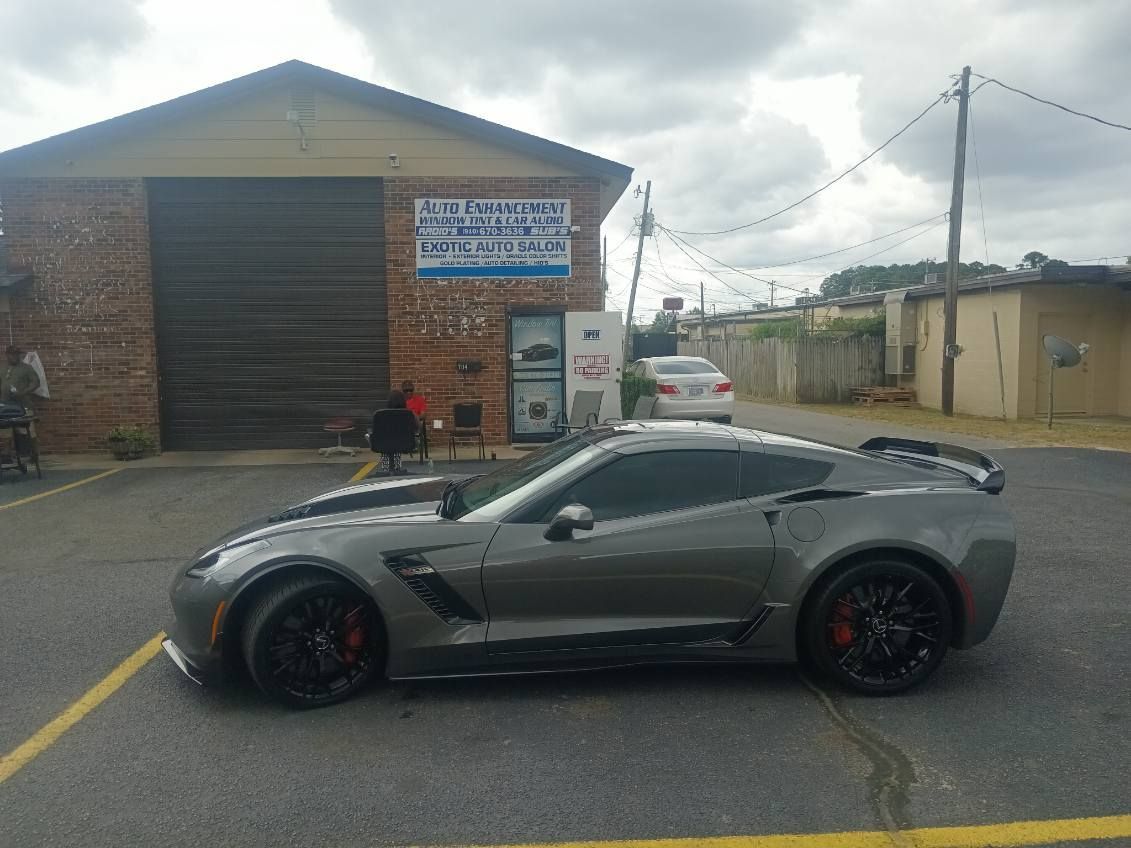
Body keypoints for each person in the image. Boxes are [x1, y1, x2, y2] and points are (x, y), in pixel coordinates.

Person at [379, 389, 418, 475]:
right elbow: (416, 427)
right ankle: (396, 469)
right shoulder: (408, 414)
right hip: (404, 443)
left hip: (384, 444)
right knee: (397, 443)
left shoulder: (381, 414)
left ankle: (387, 470)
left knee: (387, 443)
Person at [2, 345, 40, 414]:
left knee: (25, 423)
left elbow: (36, 383)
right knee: (6, 423)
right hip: (5, 406)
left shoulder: (27, 368)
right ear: (7, 355)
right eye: (12, 354)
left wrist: (23, 392)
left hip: (23, 405)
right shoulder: (1, 368)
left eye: (17, 354)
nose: (14, 356)